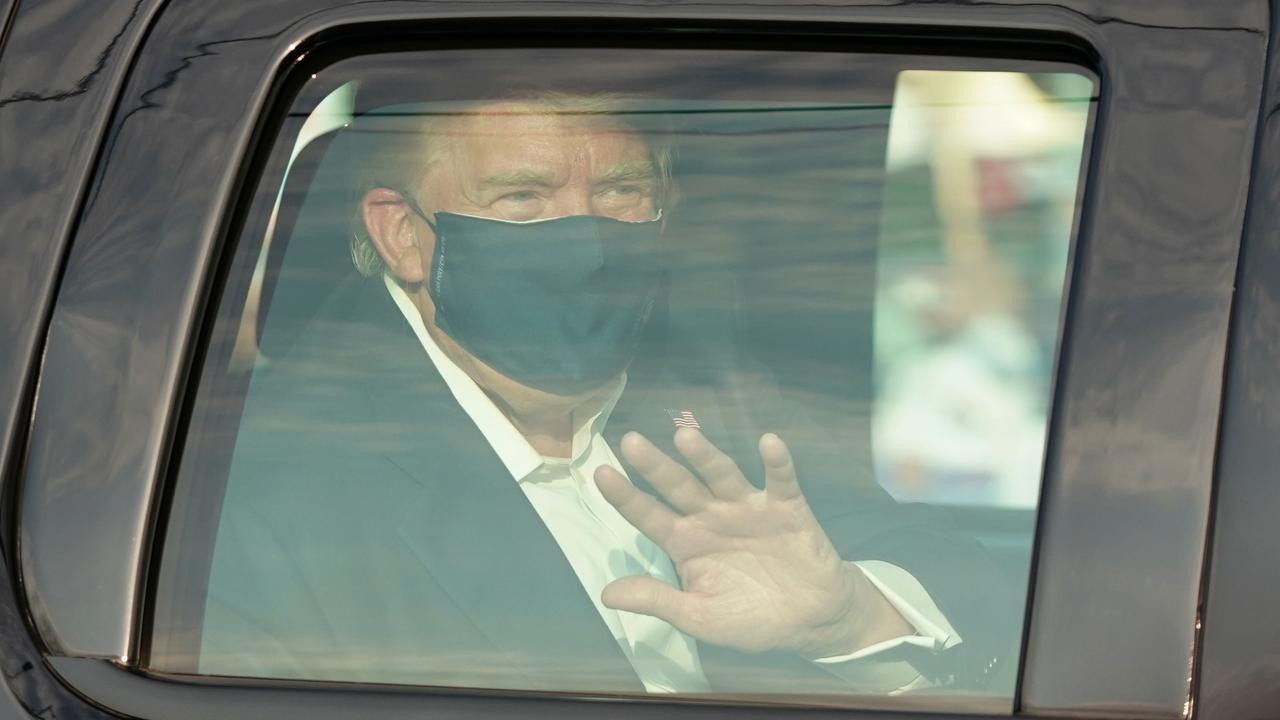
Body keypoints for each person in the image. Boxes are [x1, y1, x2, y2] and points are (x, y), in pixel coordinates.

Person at [199, 92, 1014, 695]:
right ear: (405, 234)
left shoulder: (713, 394)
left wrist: (849, 619)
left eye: (623, 193)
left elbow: (966, 578)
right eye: (523, 199)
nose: (585, 242)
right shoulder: (265, 488)